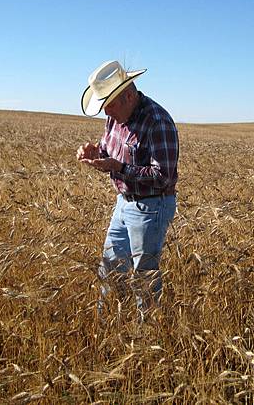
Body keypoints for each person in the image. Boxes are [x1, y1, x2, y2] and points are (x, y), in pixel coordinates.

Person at [76, 60, 179, 320]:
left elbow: (162, 177)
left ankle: (148, 334)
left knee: (144, 274)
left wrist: (119, 168)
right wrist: (94, 153)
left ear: (129, 96)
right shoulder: (116, 117)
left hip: (151, 206)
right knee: (110, 268)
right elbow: (108, 149)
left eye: (109, 104)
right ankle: (110, 323)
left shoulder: (157, 122)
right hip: (124, 203)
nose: (106, 112)